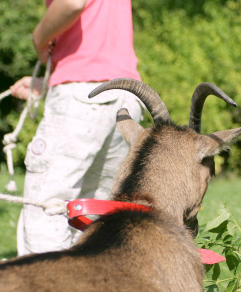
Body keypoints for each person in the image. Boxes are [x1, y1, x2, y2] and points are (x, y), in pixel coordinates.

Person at [9, 0, 144, 256]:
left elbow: (72, 3)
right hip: (127, 96)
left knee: (47, 211)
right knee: (97, 218)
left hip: (82, 95)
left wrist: (39, 38)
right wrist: (47, 83)